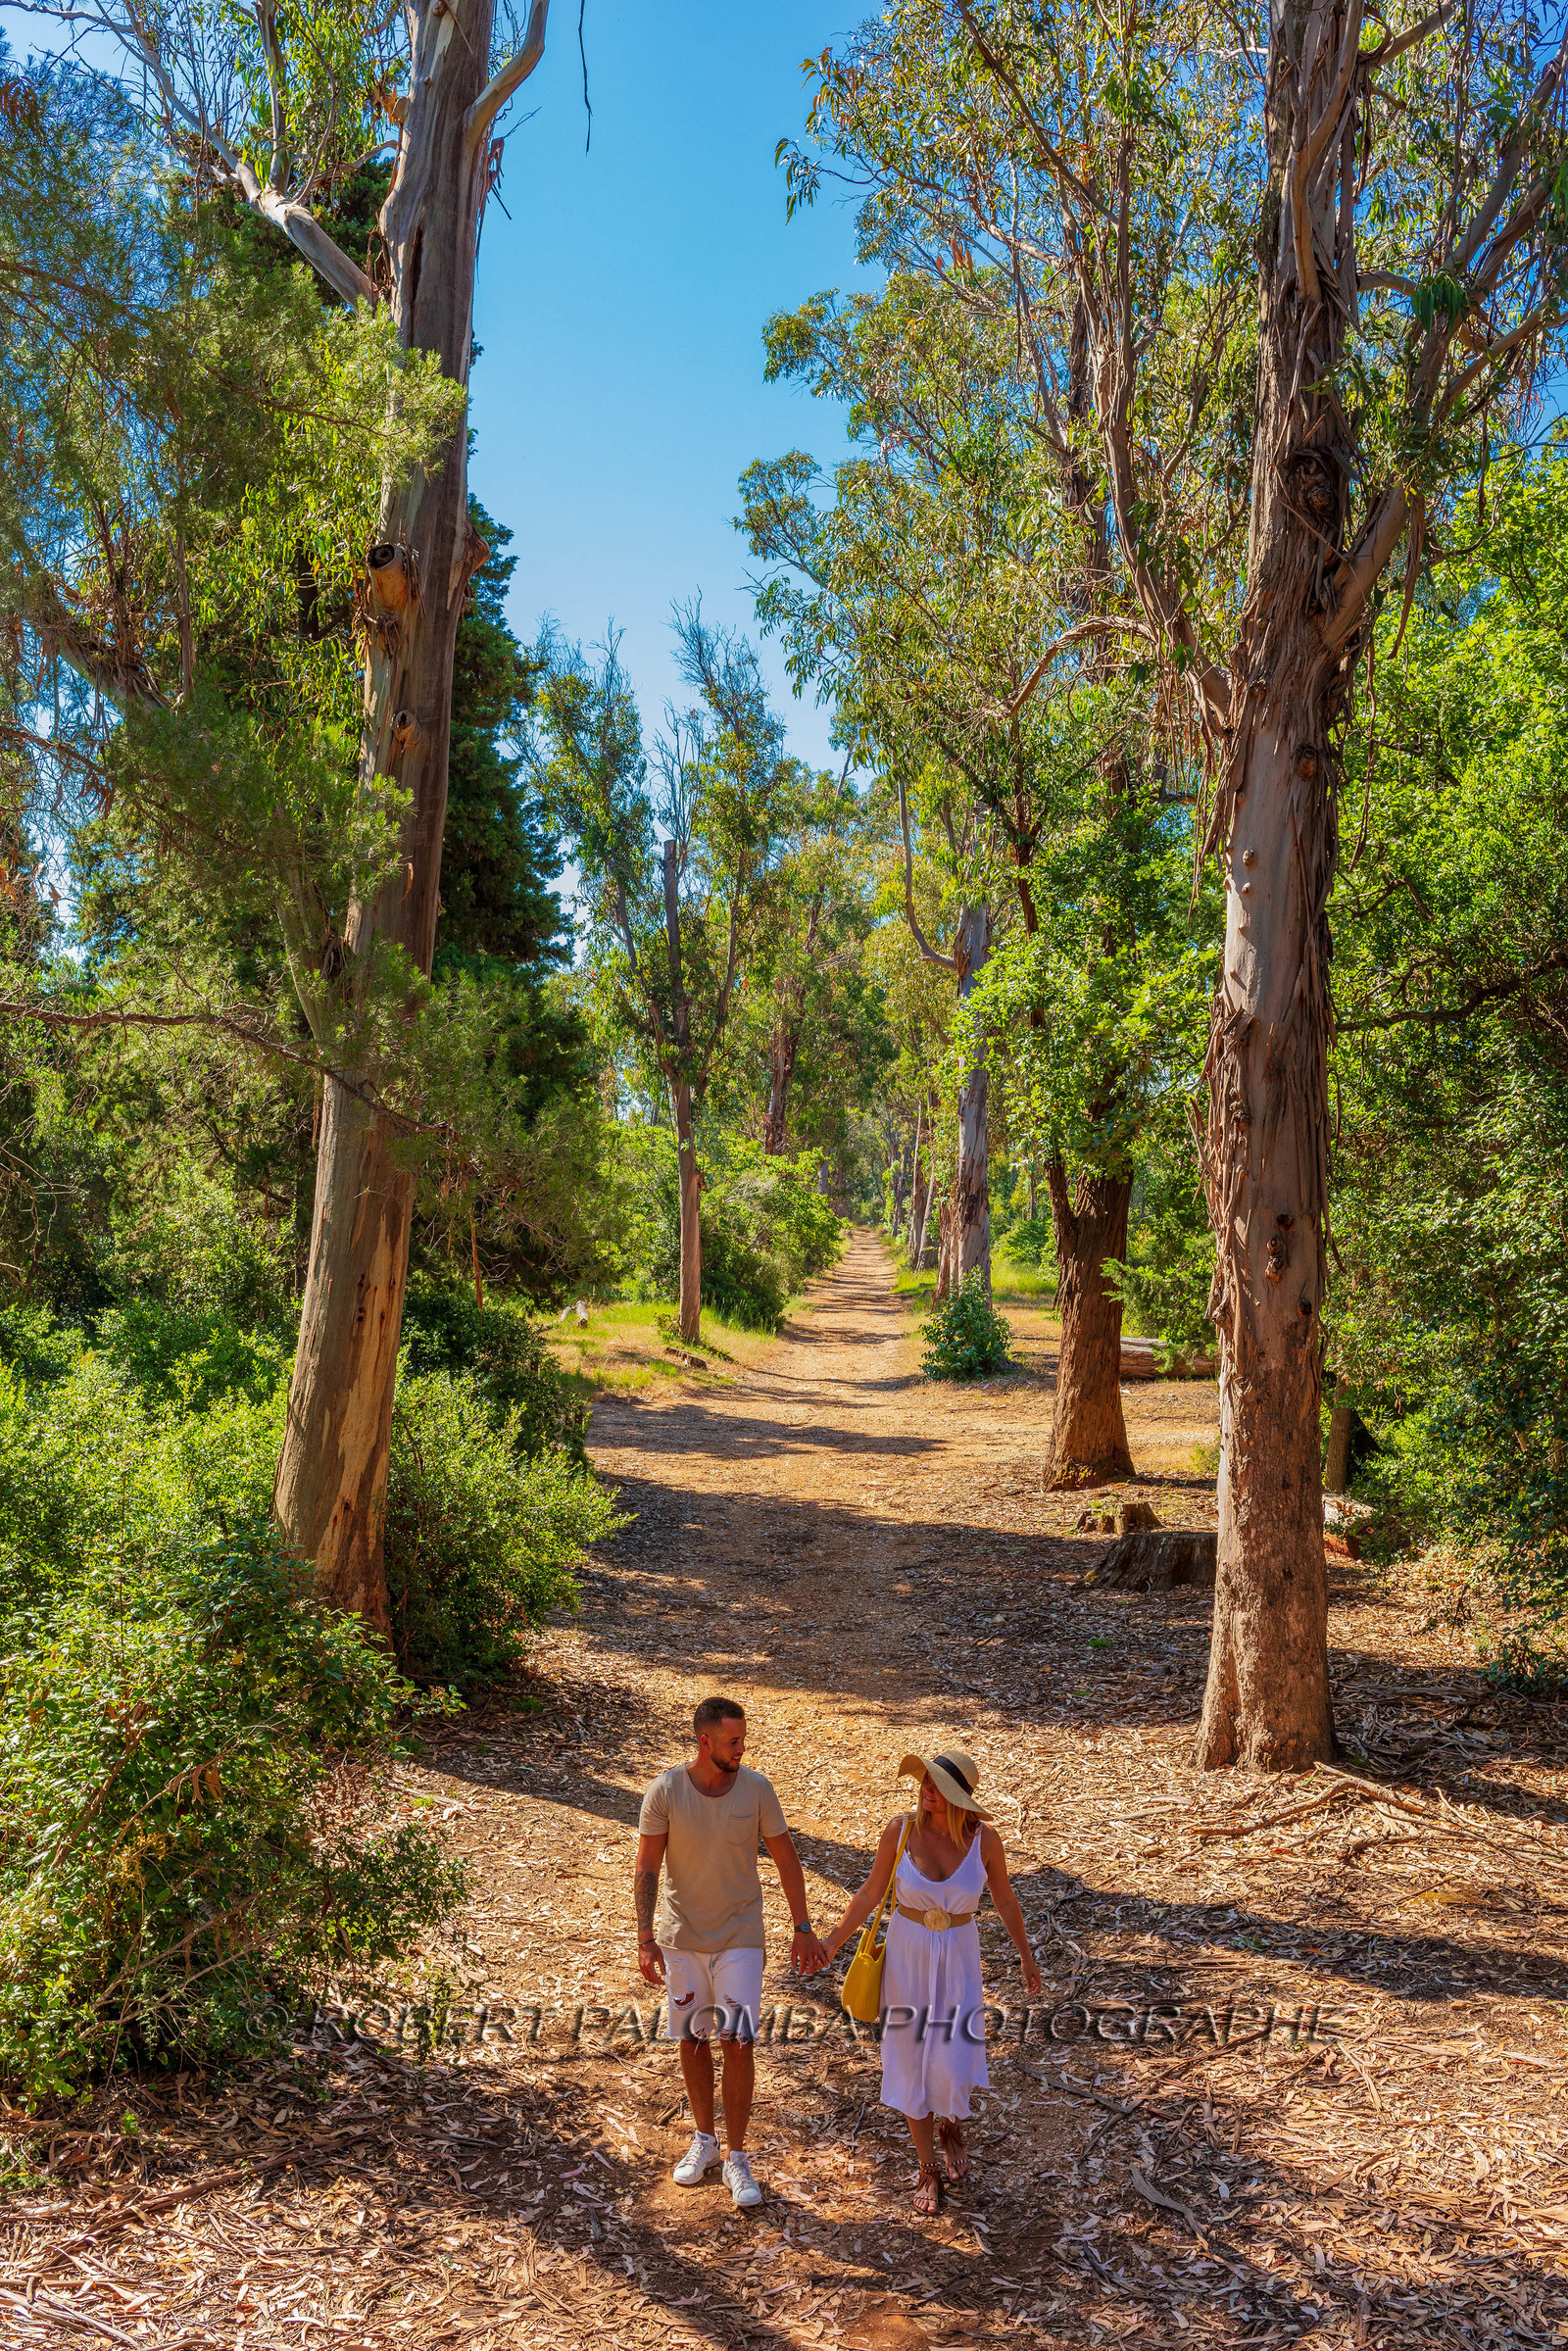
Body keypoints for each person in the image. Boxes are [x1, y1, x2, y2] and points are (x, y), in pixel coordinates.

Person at [821, 1746, 1041, 2214]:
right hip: (907, 1955)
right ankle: (927, 2167)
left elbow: (1004, 1902)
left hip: (958, 1959)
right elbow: (869, 1892)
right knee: (910, 2061)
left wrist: (1026, 1956)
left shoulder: (986, 1842)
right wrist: (834, 1941)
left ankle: (952, 2124)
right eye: (925, 1782)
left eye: (938, 1787)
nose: (926, 1791)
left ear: (960, 1798)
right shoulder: (900, 1832)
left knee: (952, 2062)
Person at [635, 1694, 828, 2210]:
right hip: (682, 1938)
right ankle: (705, 2140)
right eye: (733, 1741)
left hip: (741, 1936)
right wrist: (645, 1938)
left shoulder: (758, 1791)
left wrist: (802, 1926)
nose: (742, 1748)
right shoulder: (666, 1791)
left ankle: (738, 2156)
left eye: (743, 1739)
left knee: (738, 2042)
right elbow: (648, 1868)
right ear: (705, 1741)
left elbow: (786, 1859)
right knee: (694, 2039)